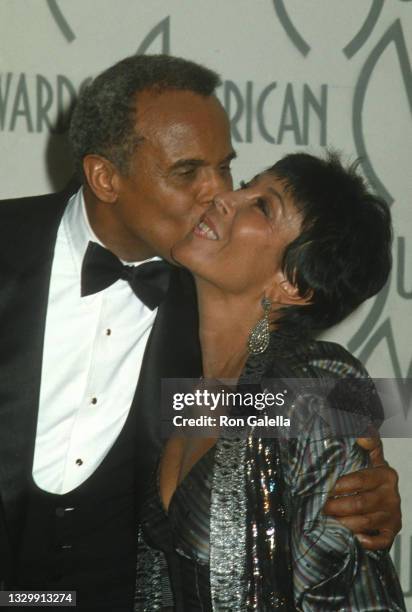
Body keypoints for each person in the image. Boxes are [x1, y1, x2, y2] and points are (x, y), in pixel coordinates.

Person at [0, 55, 401, 609]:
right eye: (187, 172)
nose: (216, 193)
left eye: (226, 168)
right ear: (105, 177)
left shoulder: (221, 302)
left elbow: (337, 410)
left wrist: (372, 486)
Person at [136, 152, 405, 611]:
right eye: (244, 185)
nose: (224, 197)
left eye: (262, 206)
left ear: (294, 284)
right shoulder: (177, 380)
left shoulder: (316, 388)